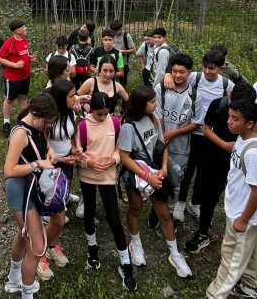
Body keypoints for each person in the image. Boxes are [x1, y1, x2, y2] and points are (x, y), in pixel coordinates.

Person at [117, 85, 191, 278]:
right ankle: (136, 244)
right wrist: (146, 176)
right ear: (142, 104)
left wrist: (164, 168)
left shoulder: (154, 119)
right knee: (135, 209)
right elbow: (124, 157)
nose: (155, 104)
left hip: (156, 174)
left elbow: (162, 146)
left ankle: (175, 254)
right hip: (137, 177)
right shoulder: (128, 126)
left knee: (165, 214)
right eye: (152, 102)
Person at [204, 99, 257, 299]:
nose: (229, 122)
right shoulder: (243, 138)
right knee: (249, 252)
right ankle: (247, 286)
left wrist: (242, 220)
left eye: (235, 119)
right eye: (229, 117)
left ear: (250, 123)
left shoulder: (254, 154)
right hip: (238, 209)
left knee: (231, 259)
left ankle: (214, 295)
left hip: (242, 215)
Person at [185, 83, 257, 255]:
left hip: (240, 159)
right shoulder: (218, 104)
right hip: (214, 155)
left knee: (237, 194)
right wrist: (224, 145)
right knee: (209, 194)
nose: (233, 117)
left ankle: (239, 229)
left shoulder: (252, 112)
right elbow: (206, 127)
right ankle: (203, 232)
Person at [77, 91, 136, 291]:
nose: (103, 117)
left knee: (114, 218)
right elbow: (78, 153)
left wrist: (113, 160)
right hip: (87, 176)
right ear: (91, 109)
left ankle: (125, 261)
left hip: (108, 177)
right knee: (90, 211)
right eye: (99, 114)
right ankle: (92, 248)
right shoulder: (83, 126)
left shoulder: (115, 123)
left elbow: (120, 148)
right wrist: (89, 162)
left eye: (106, 113)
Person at [3, 93, 59, 298]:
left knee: (23, 232)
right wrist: (37, 164)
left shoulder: (37, 126)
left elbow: (42, 144)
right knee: (36, 247)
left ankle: (13, 278)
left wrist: (50, 150)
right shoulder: (20, 133)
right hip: (21, 192)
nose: (47, 127)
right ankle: (27, 293)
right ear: (35, 115)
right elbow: (8, 170)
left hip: (31, 188)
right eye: (46, 122)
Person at [168, 50, 234, 223]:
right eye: (205, 67)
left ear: (221, 68)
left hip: (211, 136)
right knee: (187, 169)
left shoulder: (227, 85)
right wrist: (167, 76)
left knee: (204, 172)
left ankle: (195, 202)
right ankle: (180, 202)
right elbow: (175, 78)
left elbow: (235, 101)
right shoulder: (194, 78)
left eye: (212, 68)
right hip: (192, 132)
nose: (207, 71)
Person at [38, 79, 82, 280]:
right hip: (51, 168)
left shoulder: (70, 111)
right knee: (50, 214)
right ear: (59, 97)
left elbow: (73, 133)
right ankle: (38, 253)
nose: (75, 98)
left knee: (60, 210)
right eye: (71, 95)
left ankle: (53, 245)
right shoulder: (48, 118)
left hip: (67, 165)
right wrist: (64, 159)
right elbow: (43, 149)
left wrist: (75, 147)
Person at [154, 53, 201, 220]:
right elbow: (157, 114)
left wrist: (173, 133)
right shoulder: (161, 89)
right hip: (160, 144)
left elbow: (196, 123)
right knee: (158, 177)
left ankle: (171, 209)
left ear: (189, 72)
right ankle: (156, 210)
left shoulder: (195, 95)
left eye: (182, 72)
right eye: (174, 71)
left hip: (181, 148)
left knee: (175, 182)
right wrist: (163, 135)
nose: (177, 75)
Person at [0, 19, 36, 139]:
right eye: (24, 27)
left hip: (25, 75)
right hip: (12, 78)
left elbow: (23, 54)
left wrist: (30, 58)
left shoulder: (24, 39)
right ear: (17, 30)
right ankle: (6, 123)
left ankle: (24, 121)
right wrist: (14, 65)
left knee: (23, 98)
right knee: (9, 100)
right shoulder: (9, 42)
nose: (26, 29)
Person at [110, 20, 136, 87]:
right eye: (114, 31)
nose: (115, 32)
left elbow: (133, 50)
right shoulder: (111, 35)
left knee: (122, 83)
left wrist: (122, 51)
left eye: (117, 30)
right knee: (111, 82)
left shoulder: (126, 36)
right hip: (112, 62)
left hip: (123, 63)